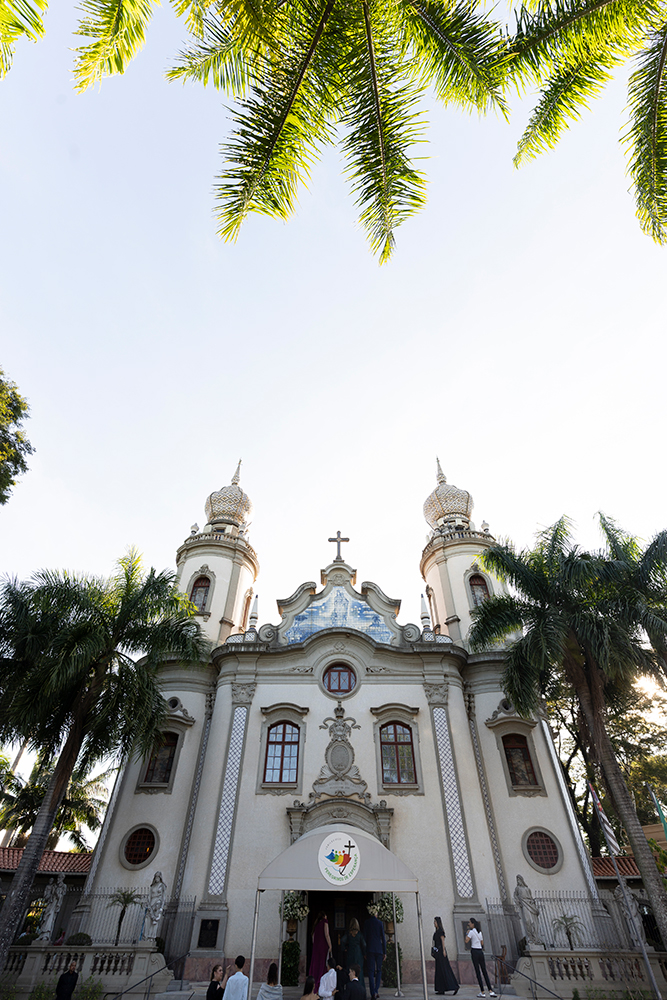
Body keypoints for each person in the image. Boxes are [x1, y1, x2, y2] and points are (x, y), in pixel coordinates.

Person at [464, 919, 496, 999]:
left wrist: (467, 933)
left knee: (478, 972)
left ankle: (482, 992)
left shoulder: (471, 932)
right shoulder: (480, 932)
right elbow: (482, 943)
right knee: (484, 971)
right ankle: (490, 991)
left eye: (470, 923)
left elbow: (466, 941)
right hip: (480, 952)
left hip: (474, 951)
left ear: (473, 924)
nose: (469, 924)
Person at [432, 917, 458, 996]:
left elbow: (443, 941)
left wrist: (443, 950)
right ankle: (441, 989)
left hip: (441, 952)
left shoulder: (440, 931)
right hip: (437, 952)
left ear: (438, 922)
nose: (434, 923)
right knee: (439, 970)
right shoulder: (436, 932)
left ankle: (454, 986)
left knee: (445, 969)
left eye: (435, 921)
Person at [363, 912, 385, 1000]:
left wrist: (364, 952)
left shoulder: (367, 923)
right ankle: (376, 990)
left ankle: (372, 992)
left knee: (371, 972)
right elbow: (383, 938)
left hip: (370, 949)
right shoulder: (380, 923)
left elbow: (364, 938)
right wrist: (384, 951)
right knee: (379, 971)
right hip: (379, 949)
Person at [309, 911, 332, 990]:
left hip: (316, 948)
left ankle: (314, 983)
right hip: (323, 947)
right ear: (324, 916)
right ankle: (321, 984)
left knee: (316, 964)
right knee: (323, 964)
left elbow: (313, 937)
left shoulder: (316, 924)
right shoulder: (325, 922)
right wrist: (330, 945)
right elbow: (326, 934)